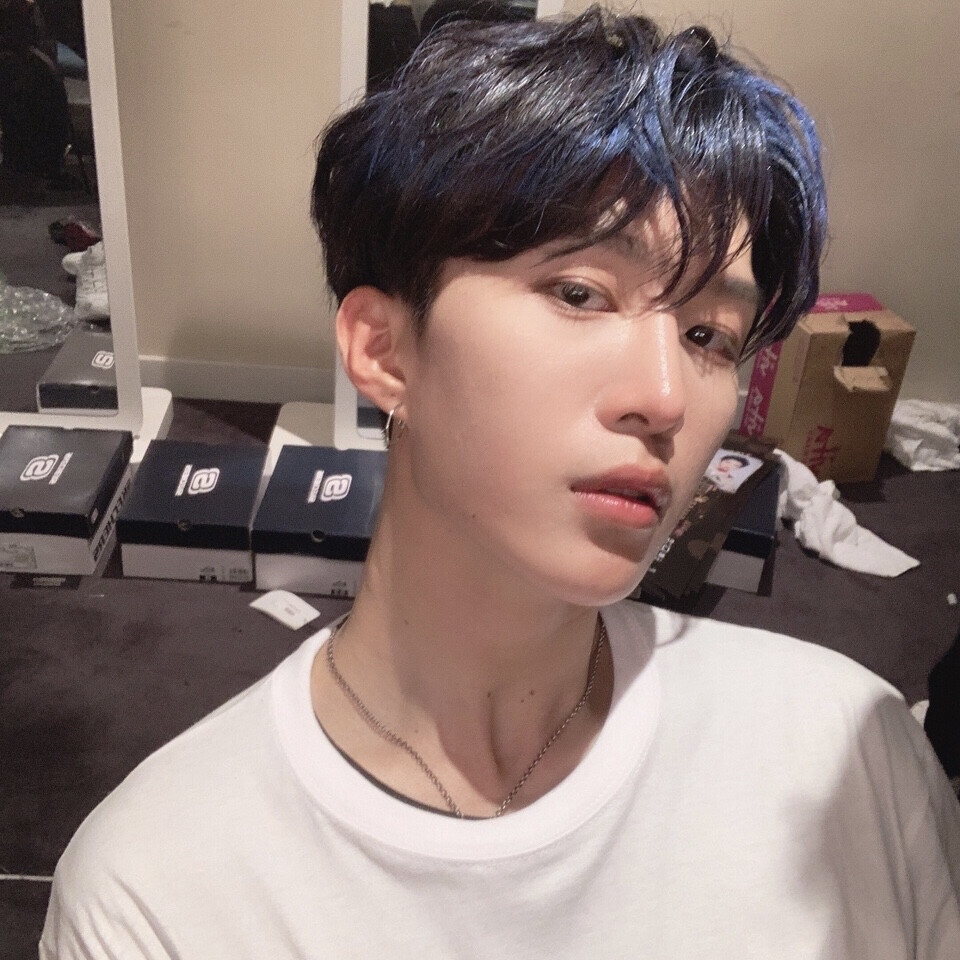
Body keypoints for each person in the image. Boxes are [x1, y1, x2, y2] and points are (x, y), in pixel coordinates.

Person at [41, 7, 960, 958]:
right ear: (383, 349)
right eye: (580, 294)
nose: (663, 398)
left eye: (708, 337)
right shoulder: (156, 895)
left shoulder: (850, 755)